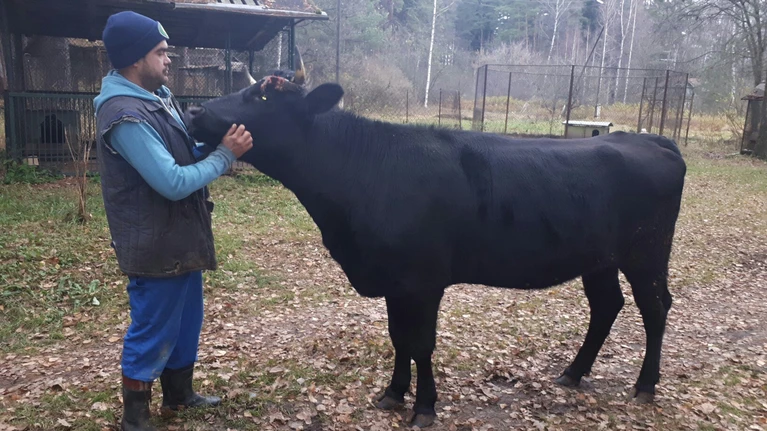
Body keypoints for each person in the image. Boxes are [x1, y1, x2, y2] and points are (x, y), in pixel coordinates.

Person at [93, 10, 253, 431]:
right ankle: (135, 418)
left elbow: (183, 155)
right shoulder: (124, 115)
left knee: (185, 322)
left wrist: (215, 144)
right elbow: (173, 182)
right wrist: (225, 156)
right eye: (161, 52)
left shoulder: (157, 99)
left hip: (180, 238)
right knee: (153, 328)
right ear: (135, 58)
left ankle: (179, 394)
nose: (169, 60)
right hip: (154, 245)